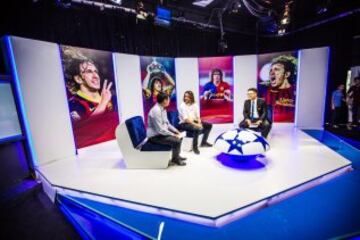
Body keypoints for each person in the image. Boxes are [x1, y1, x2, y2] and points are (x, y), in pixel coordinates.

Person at [147, 92, 187, 166]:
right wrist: (173, 134)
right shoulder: (156, 111)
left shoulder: (162, 109)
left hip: (161, 134)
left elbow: (167, 124)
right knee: (177, 141)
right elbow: (160, 130)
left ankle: (176, 156)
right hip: (155, 136)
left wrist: (176, 131)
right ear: (165, 100)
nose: (169, 101)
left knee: (179, 136)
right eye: (168, 99)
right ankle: (175, 159)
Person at [265, 55, 297, 122]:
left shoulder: (296, 91)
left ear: (287, 74)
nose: (272, 72)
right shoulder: (268, 91)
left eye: (276, 69)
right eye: (271, 70)